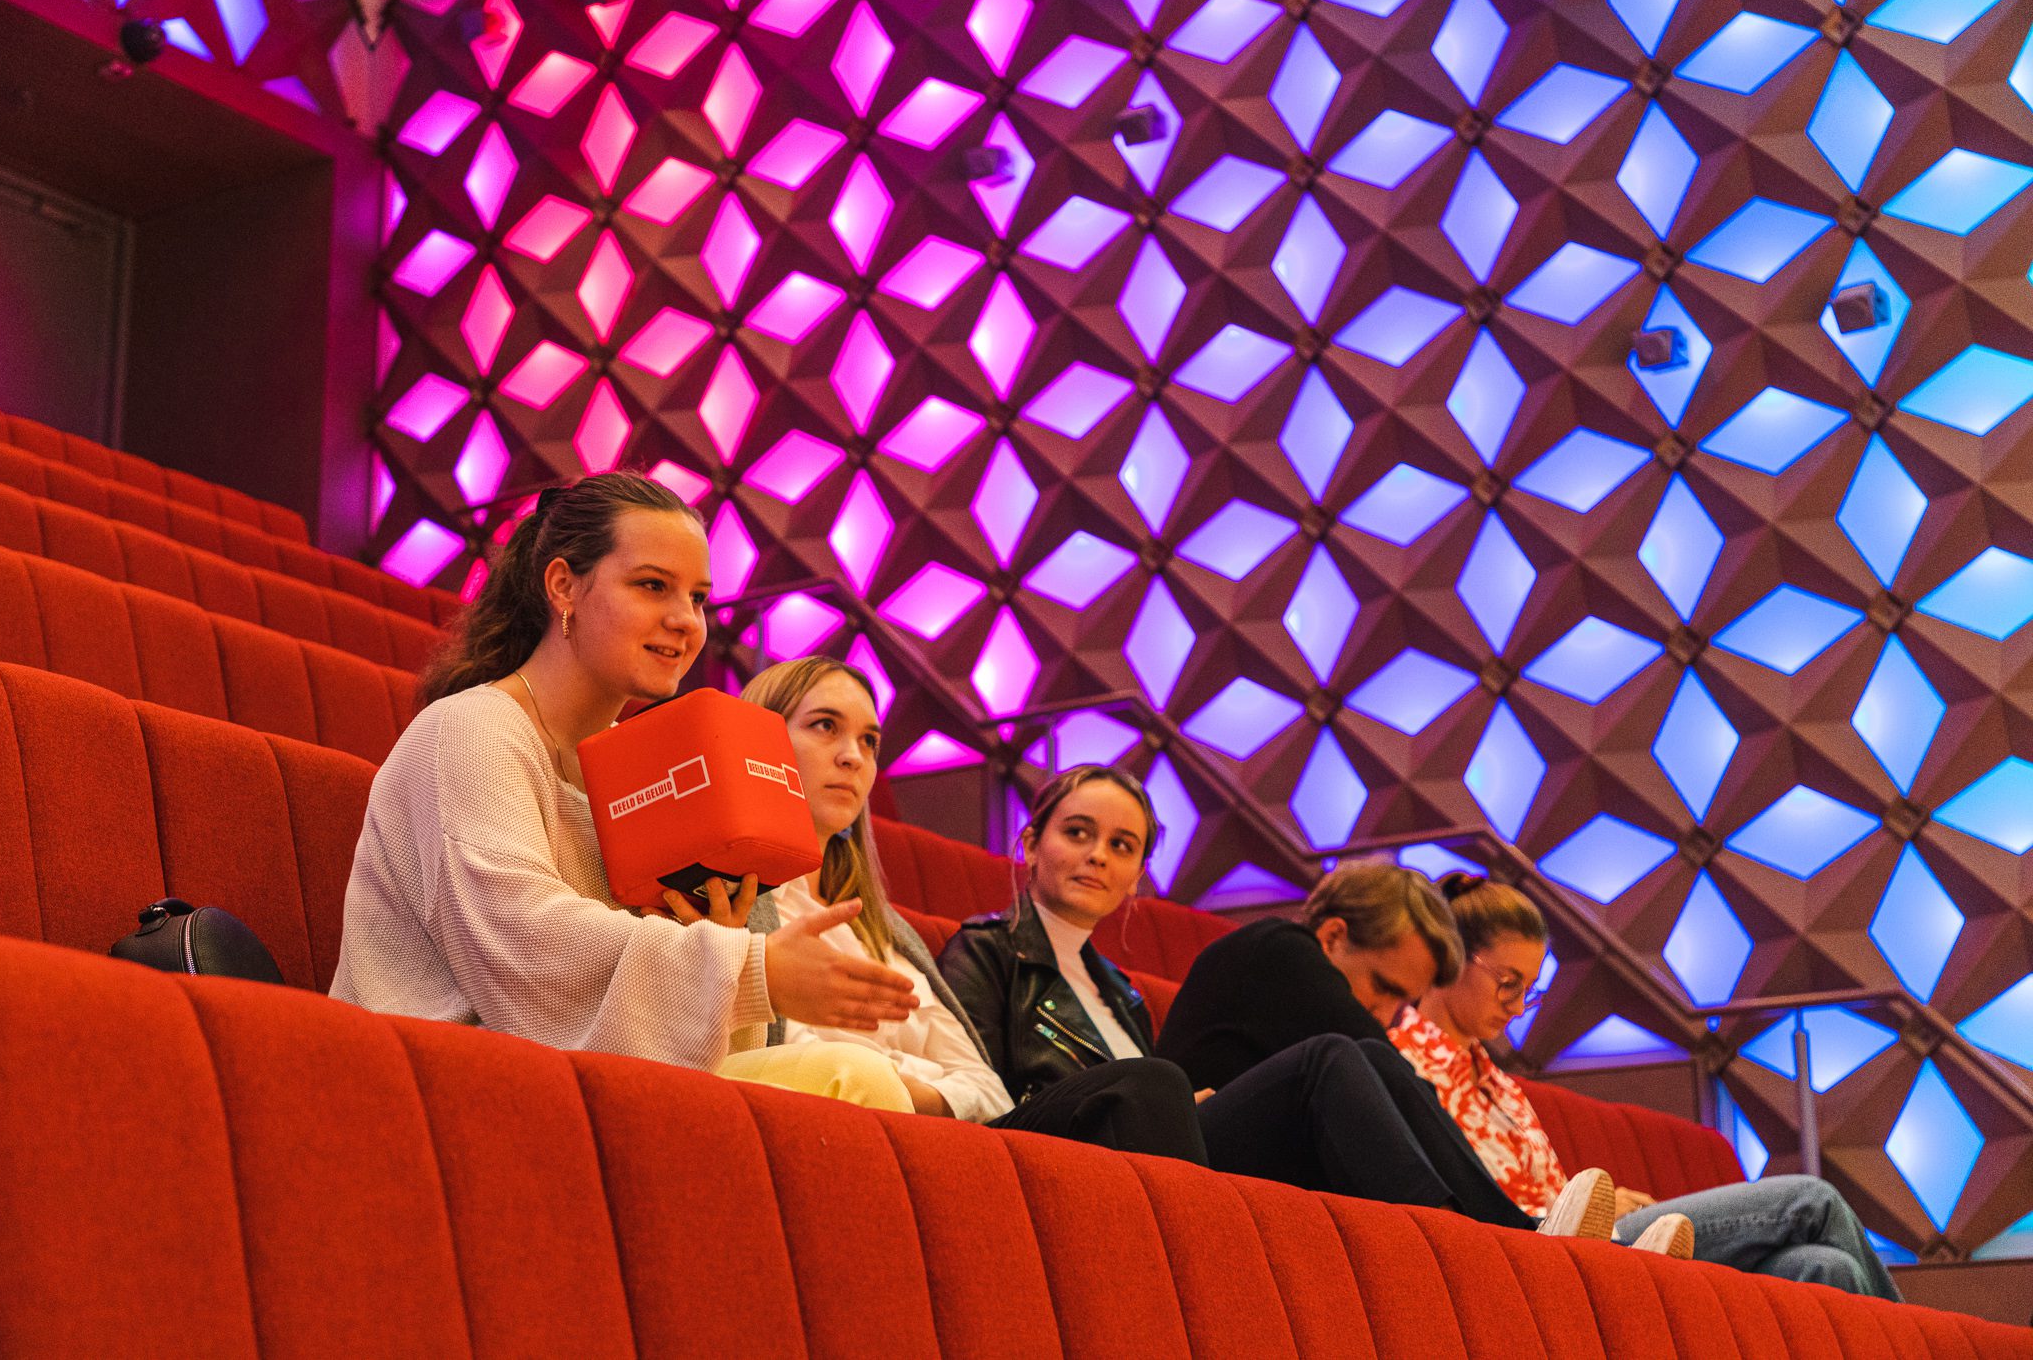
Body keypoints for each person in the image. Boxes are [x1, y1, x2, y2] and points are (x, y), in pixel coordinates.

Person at [331, 474, 920, 1106]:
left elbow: (660, 1030)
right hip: (442, 1085)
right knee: (852, 1079)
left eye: (698, 598)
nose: (685, 621)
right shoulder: (469, 730)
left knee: (855, 1079)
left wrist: (714, 933)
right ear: (564, 585)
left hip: (587, 1086)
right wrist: (753, 969)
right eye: (652, 585)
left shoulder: (641, 767)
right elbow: (523, 946)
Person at [938, 766, 1663, 1243]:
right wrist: (1163, 1094)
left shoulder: (1119, 991)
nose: (1099, 854)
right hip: (1058, 1153)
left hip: (1166, 1154)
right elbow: (979, 1094)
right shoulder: (988, 950)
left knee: (1346, 1059)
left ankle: (1518, 1234)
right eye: (1078, 833)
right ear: (1030, 842)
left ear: (1136, 874)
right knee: (1333, 1059)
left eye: (1122, 844)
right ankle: (1495, 1236)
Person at [706, 657, 1209, 1158]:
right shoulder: (719, 893)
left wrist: (901, 1086)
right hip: (839, 1134)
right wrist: (913, 1082)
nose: (853, 757)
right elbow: (780, 1061)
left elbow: (986, 1090)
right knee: (1150, 1085)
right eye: (825, 726)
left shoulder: (887, 932)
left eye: (870, 741)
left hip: (934, 1141)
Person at [1392, 873, 1903, 1299]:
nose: (1519, 1006)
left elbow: (1554, 1193)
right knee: (1810, 1198)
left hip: (1586, 1237)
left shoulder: (1501, 1085)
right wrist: (1577, 1212)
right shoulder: (1403, 1067)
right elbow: (1454, 1205)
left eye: (1530, 990)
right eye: (1508, 983)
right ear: (1451, 959)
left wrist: (1602, 1202)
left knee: (1826, 1267)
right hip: (1537, 1250)